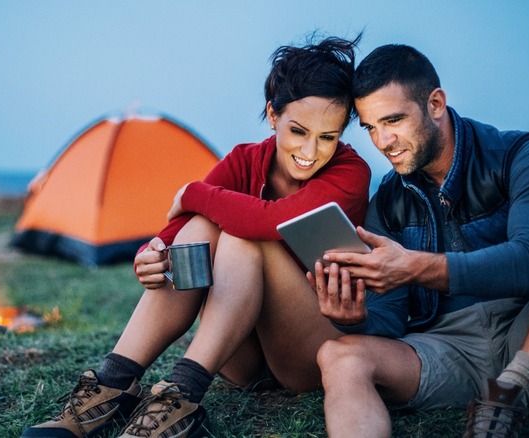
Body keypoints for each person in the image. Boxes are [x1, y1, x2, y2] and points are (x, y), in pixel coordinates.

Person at [22, 34, 408, 438]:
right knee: (203, 227)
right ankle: (112, 385)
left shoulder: (350, 172)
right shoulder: (245, 159)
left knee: (245, 235)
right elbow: (178, 229)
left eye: (327, 137)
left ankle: (181, 398)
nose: (311, 151)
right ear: (272, 115)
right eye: (298, 130)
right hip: (238, 355)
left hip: (309, 353)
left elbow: (268, 221)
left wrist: (193, 191)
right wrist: (150, 254)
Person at [312, 43, 529, 438]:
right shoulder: (388, 202)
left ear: (435, 103)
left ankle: (510, 393)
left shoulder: (520, 157)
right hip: (448, 351)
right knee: (338, 356)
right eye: (370, 127)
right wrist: (355, 318)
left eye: (393, 120)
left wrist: (418, 267)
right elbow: (391, 320)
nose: (382, 141)